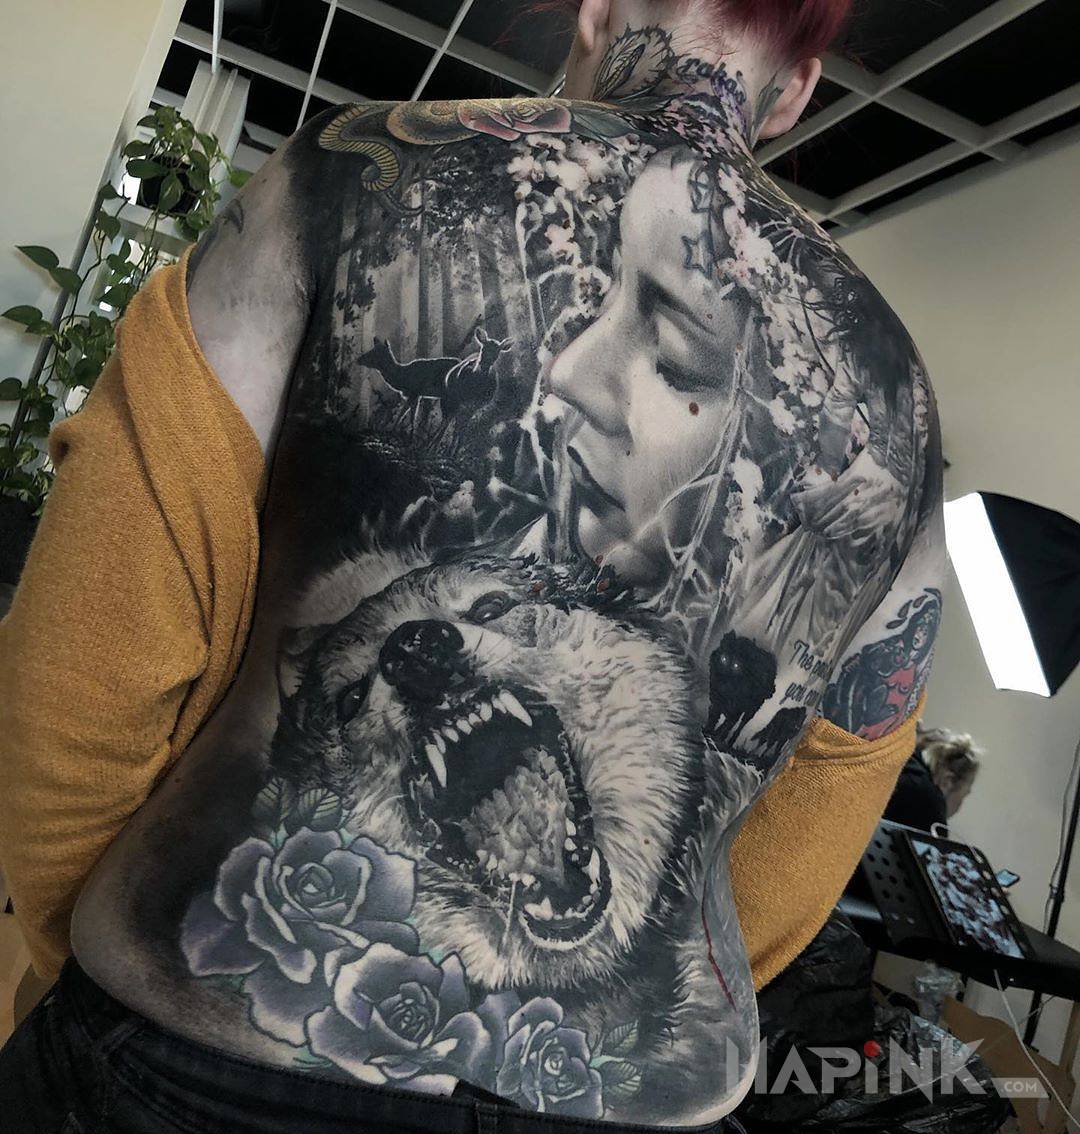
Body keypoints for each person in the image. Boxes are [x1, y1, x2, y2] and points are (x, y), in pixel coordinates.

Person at [0, 0, 947, 1130]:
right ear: (797, 92)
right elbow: (811, 824)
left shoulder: (348, 173)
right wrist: (629, 1007)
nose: (576, 380)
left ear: (595, 13)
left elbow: (88, 659)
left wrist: (82, 951)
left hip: (195, 1065)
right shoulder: (903, 400)